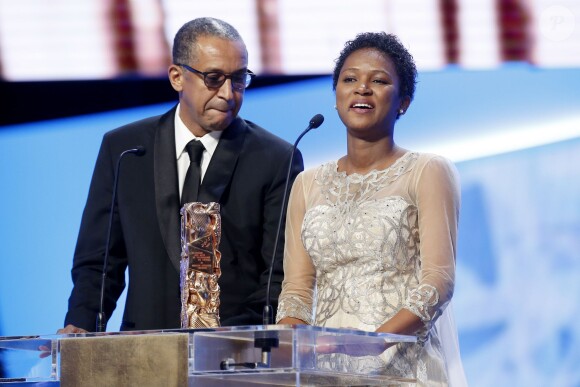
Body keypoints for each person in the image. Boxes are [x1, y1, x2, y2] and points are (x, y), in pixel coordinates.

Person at [59, 17, 303, 333]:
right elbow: (100, 261)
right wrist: (81, 322)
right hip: (142, 349)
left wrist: (247, 342)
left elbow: (277, 273)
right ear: (177, 77)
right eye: (214, 78)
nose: (229, 94)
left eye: (239, 79)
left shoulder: (276, 159)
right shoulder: (124, 149)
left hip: (232, 355)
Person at [276, 32, 467, 386]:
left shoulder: (427, 171)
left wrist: (373, 343)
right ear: (336, 96)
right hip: (325, 370)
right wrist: (288, 349)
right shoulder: (307, 184)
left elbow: (439, 281)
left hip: (401, 366)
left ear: (403, 103)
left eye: (378, 81)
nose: (362, 88)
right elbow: (298, 289)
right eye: (350, 79)